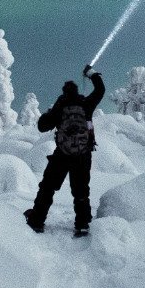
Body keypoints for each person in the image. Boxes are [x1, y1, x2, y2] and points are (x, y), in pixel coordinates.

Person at [26, 64, 106, 237]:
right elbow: (100, 89)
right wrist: (92, 74)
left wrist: (49, 113)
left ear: (64, 92)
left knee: (47, 187)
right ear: (77, 91)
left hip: (62, 154)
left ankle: (37, 220)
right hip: (83, 154)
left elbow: (42, 126)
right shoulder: (86, 103)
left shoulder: (60, 105)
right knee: (81, 190)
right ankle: (82, 225)